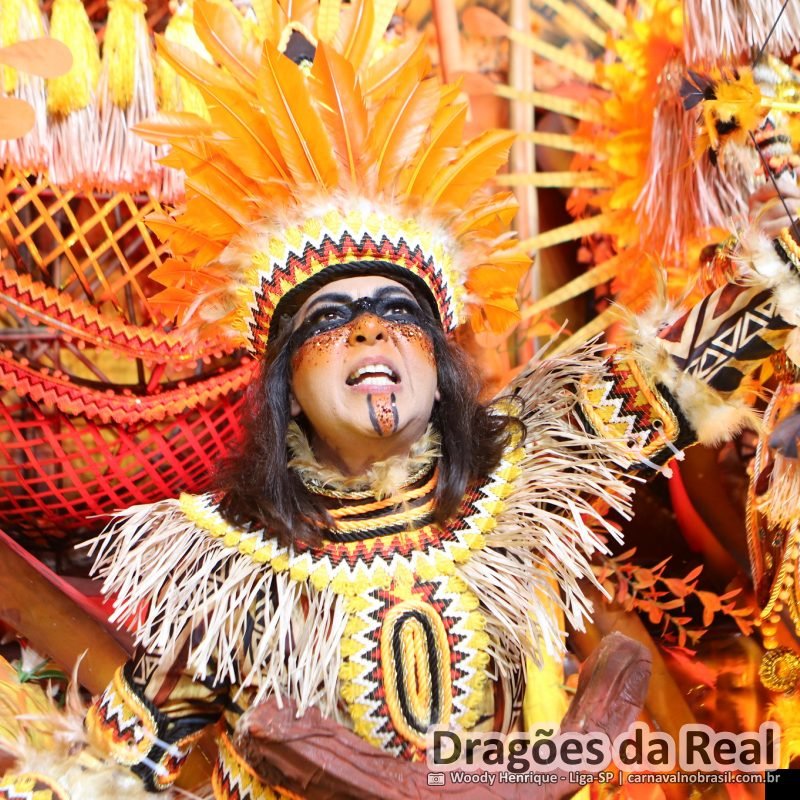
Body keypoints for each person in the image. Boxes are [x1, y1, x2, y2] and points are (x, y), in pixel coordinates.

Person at [1, 1, 799, 798]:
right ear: (284, 385)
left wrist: (778, 267)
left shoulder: (521, 473)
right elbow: (114, 770)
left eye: (400, 311)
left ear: (440, 363)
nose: (370, 330)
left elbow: (674, 377)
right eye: (330, 318)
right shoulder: (230, 574)